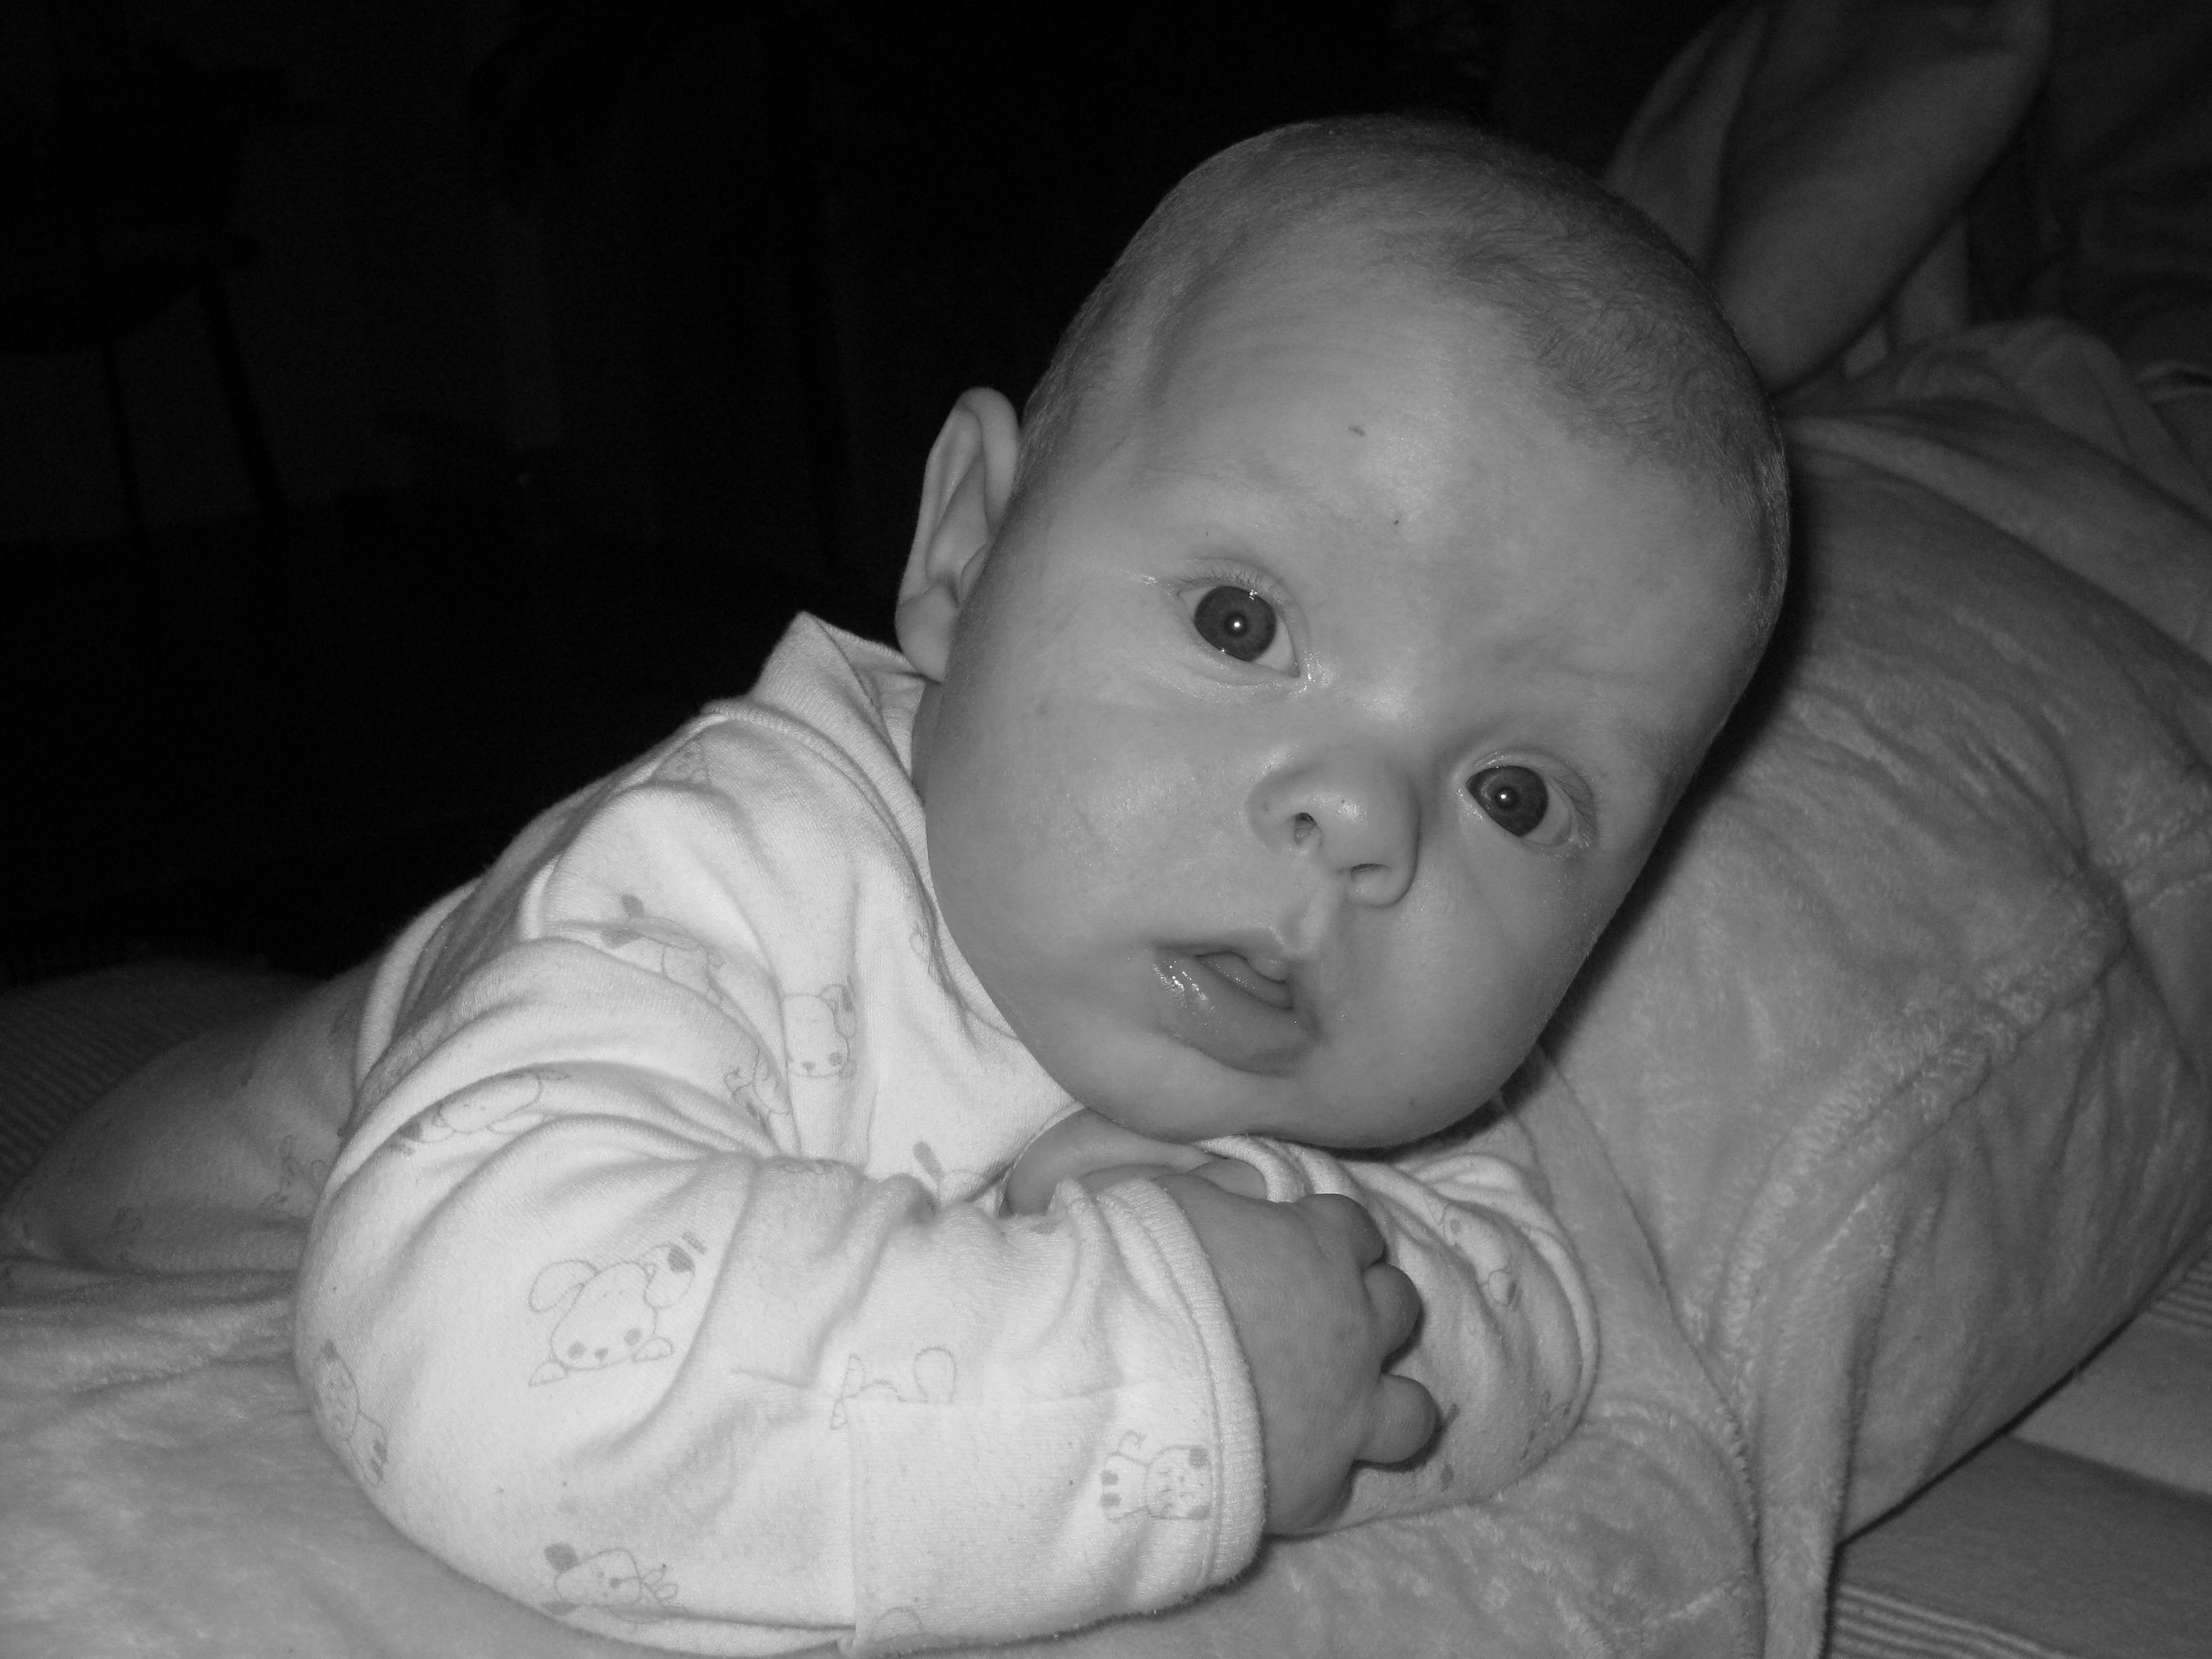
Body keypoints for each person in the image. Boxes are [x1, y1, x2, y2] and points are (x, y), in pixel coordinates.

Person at [4, 117, 1785, 1652]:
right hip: (132, 1253)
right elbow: (483, 1351)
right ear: (967, 546)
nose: (1359, 819)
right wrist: (1151, 1368)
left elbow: (1520, 1343)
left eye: (1514, 793)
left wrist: (1283, 1272)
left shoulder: (1395, 1087)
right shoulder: (733, 868)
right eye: (1244, 625)